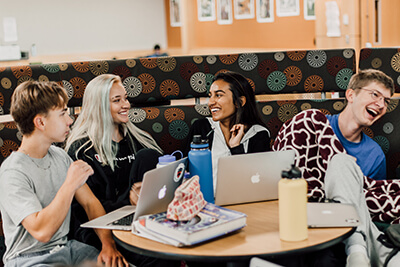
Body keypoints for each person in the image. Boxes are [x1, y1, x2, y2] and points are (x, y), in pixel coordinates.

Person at [273, 69, 400, 266]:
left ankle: (358, 253)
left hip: (347, 230)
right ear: (351, 95)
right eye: (375, 94)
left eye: (386, 101)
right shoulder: (311, 125)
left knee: (343, 163)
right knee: (341, 161)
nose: (382, 104)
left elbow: (368, 203)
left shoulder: (375, 155)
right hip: (303, 218)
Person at [0, 81, 127, 267]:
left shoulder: (59, 156)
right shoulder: (13, 172)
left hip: (67, 249)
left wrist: (108, 245)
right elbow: (42, 232)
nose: (70, 120)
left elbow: (90, 203)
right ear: (40, 122)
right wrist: (69, 185)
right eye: (62, 114)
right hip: (29, 259)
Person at [65, 74, 179, 267]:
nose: (126, 104)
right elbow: (86, 208)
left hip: (143, 222)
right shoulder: (80, 150)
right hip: (100, 228)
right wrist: (129, 201)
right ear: (99, 105)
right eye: (117, 100)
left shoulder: (140, 141)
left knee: (149, 156)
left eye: (125, 98)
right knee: (155, 256)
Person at [185, 71, 271, 191]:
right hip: (203, 202)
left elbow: (257, 183)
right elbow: (185, 171)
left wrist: (236, 148)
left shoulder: (258, 134)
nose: (211, 102)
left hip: (243, 202)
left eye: (218, 95)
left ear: (239, 102)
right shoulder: (201, 128)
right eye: (210, 95)